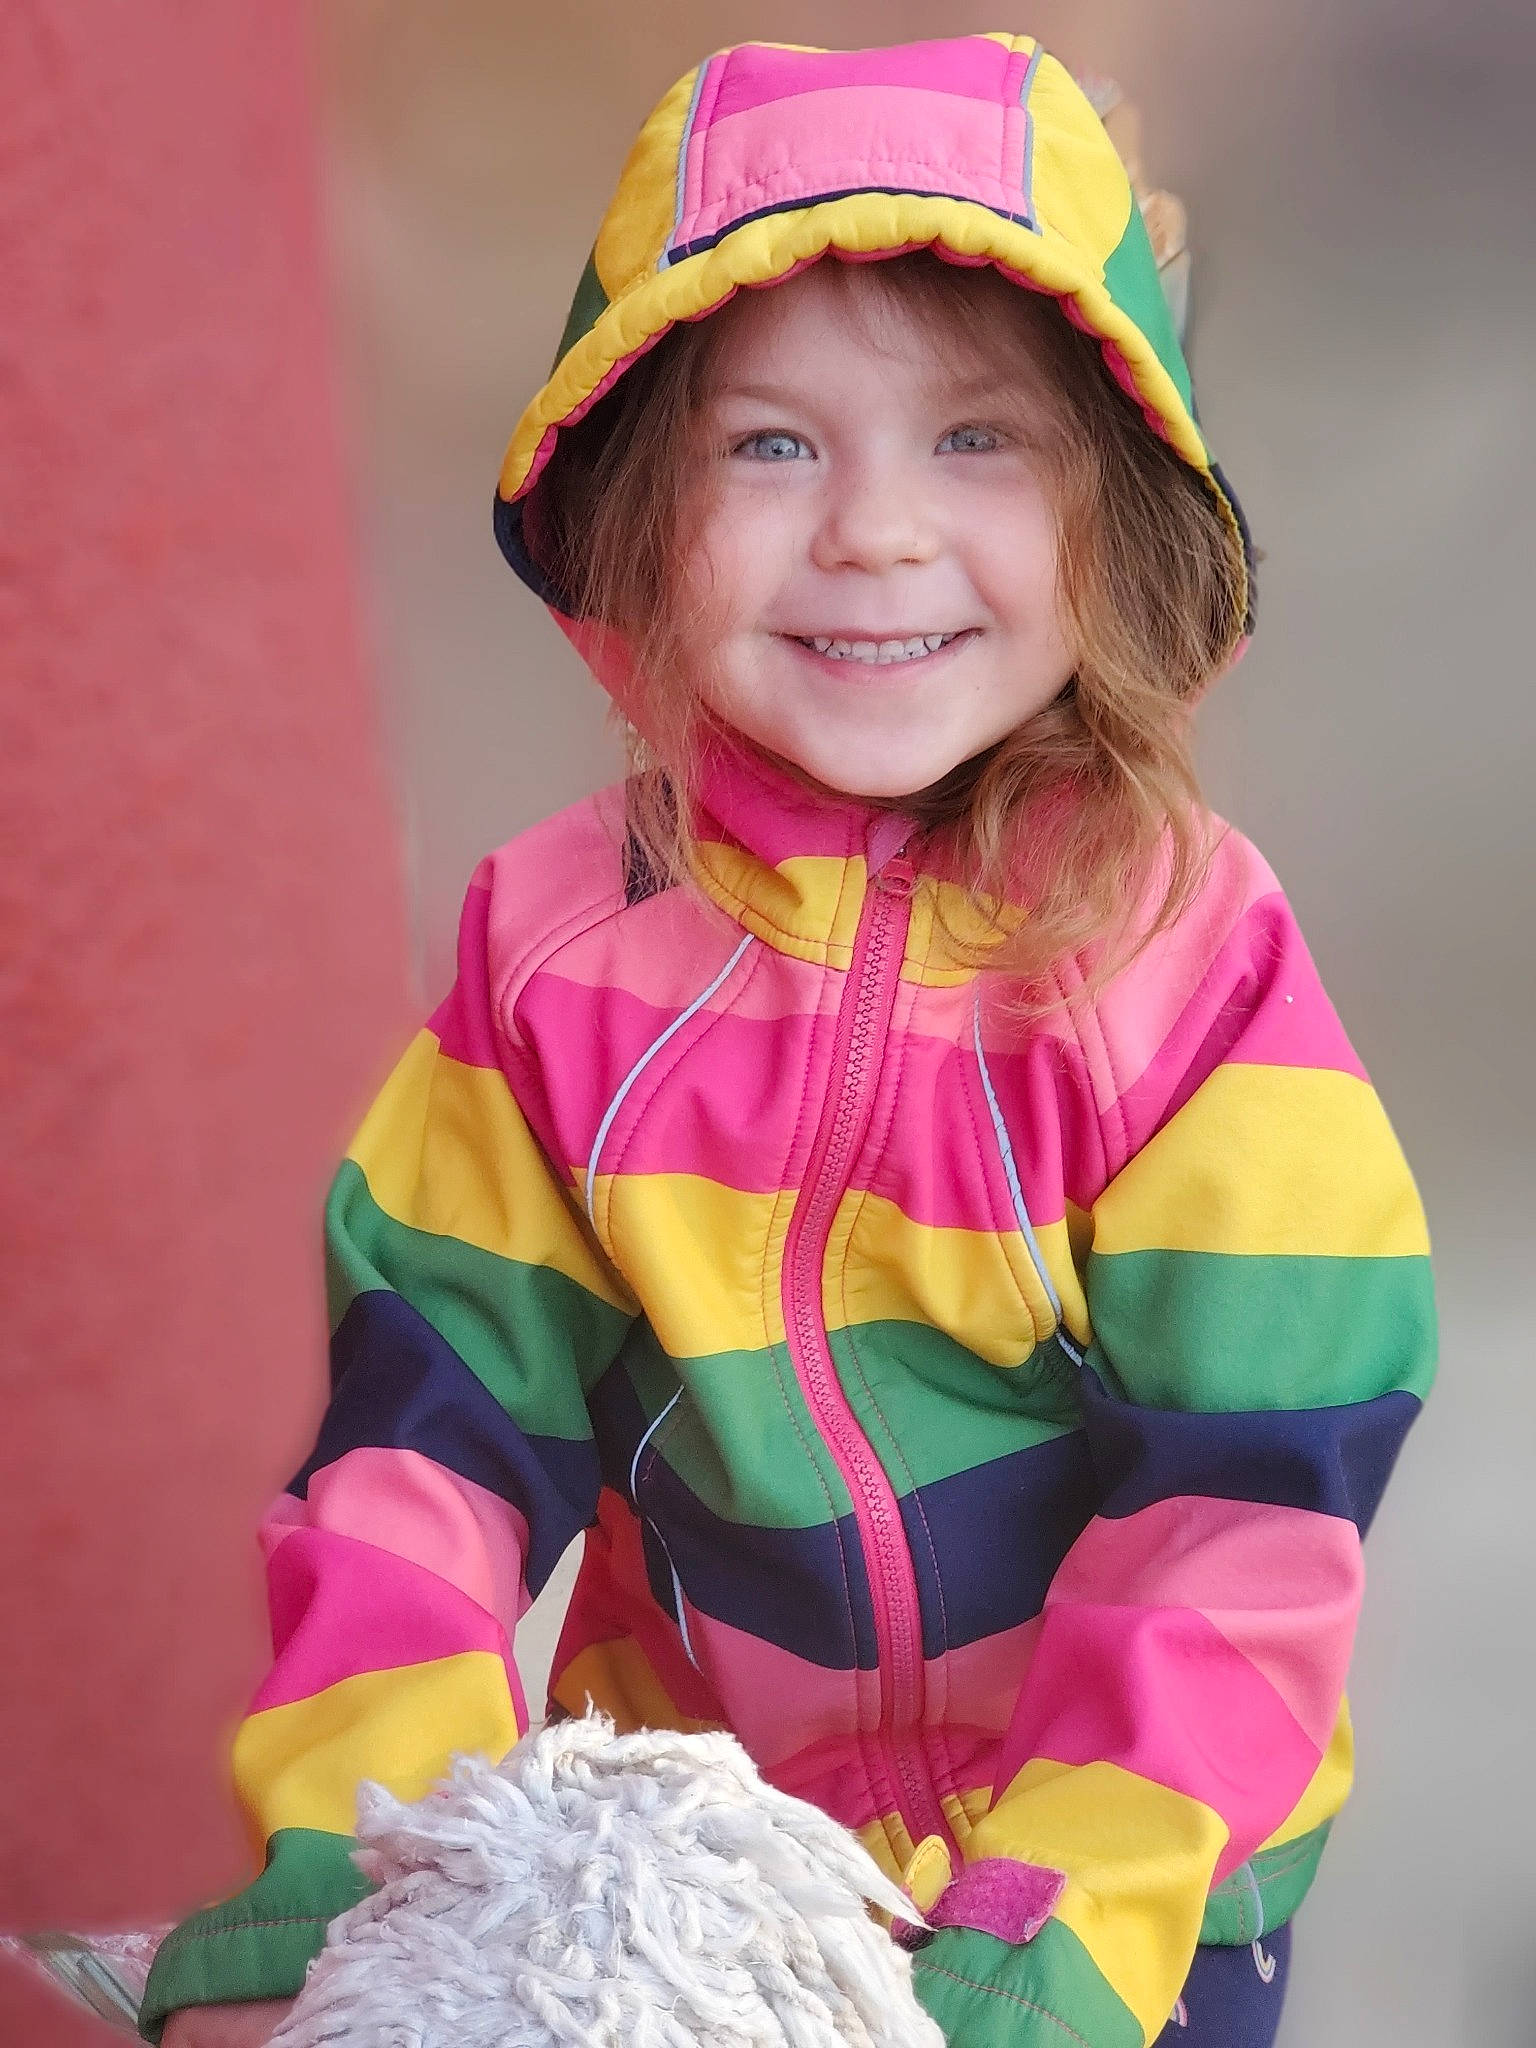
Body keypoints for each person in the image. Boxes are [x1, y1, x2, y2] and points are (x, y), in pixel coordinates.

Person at [147, 31, 1435, 2048]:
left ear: (1120, 508)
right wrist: (355, 1838)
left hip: (1124, 1883)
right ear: (639, 504)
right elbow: (423, 1442)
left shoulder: (1200, 973)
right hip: (698, 1882)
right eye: (771, 446)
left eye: (977, 440)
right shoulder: (556, 962)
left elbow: (1241, 1511)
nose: (876, 533)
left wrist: (1059, 1926)